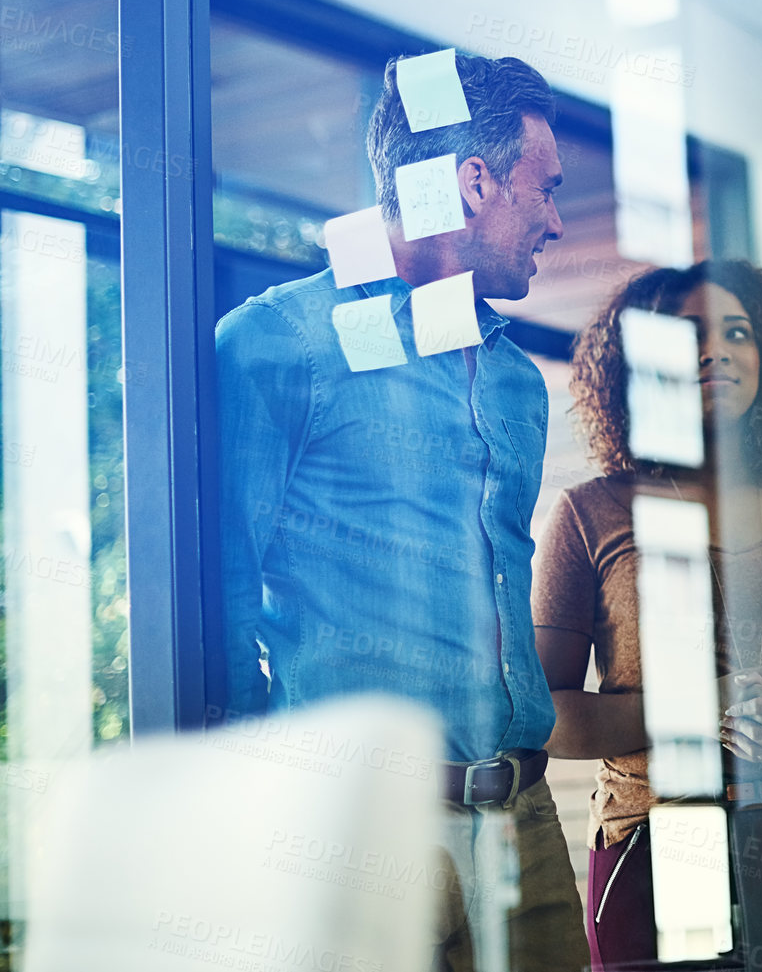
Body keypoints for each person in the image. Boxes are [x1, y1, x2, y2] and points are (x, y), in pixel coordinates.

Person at [217, 53, 586, 971]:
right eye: (544, 190)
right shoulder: (280, 343)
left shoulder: (511, 381)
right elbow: (215, 601)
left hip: (526, 830)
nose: (556, 220)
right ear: (474, 183)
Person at [533, 259, 762, 972]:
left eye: (737, 332)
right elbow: (548, 717)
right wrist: (698, 705)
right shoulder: (589, 512)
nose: (716, 348)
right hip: (658, 836)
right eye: (686, 335)